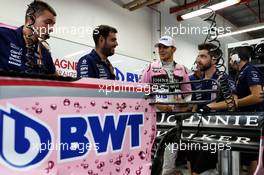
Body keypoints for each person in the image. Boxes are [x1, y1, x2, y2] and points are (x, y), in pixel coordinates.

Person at [140, 35, 191, 175]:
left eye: (165, 47)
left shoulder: (182, 69)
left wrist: (183, 105)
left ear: (173, 49)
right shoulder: (150, 67)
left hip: (174, 119)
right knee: (151, 151)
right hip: (153, 118)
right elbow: (141, 90)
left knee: (170, 154)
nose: (161, 50)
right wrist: (157, 104)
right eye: (159, 47)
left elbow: (188, 94)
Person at [190, 43, 237, 175]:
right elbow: (195, 105)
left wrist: (210, 106)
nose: (198, 60)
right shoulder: (197, 81)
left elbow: (234, 102)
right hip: (198, 132)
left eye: (203, 56)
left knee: (198, 171)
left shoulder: (223, 78)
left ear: (214, 59)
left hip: (216, 133)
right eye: (198, 56)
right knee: (193, 167)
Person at [229, 46, 263, 175]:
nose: (230, 62)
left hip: (254, 118)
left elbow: (257, 96)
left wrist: (235, 104)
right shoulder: (241, 72)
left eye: (231, 59)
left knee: (252, 155)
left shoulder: (249, 70)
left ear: (235, 58)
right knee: (249, 156)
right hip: (246, 118)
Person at [0, 0, 56, 74]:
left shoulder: (44, 53)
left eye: (53, 24)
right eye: (47, 22)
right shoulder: (3, 36)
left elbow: (55, 79)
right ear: (31, 19)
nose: (51, 29)